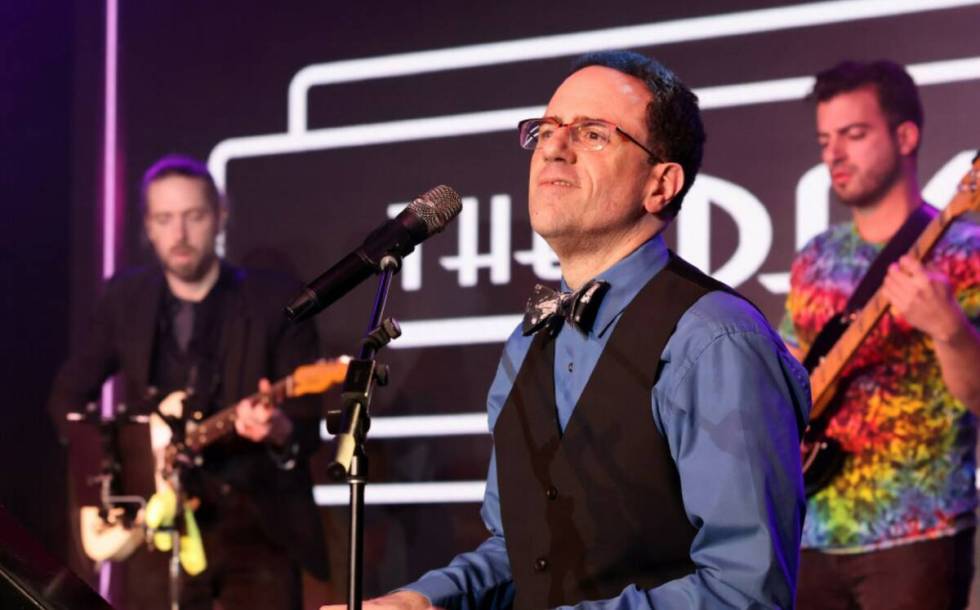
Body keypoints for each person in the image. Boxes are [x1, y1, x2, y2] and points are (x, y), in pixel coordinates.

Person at [323, 50, 810, 610]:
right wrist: (422, 601)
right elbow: (519, 550)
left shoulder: (715, 341)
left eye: (593, 133)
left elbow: (745, 590)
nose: (554, 146)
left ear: (661, 185)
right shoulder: (525, 344)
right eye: (547, 129)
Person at [49, 155, 329, 610]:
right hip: (156, 534)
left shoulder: (274, 300)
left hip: (257, 530)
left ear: (221, 215)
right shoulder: (125, 300)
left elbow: (304, 425)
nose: (179, 235)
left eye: (194, 216)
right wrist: (108, 479)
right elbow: (67, 399)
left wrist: (277, 431)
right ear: (148, 226)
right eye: (165, 219)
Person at [780, 60, 980, 610]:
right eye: (825, 140)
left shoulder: (967, 251)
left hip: (919, 534)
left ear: (906, 135)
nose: (834, 155)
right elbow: (789, 370)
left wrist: (950, 330)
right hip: (810, 534)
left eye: (854, 134)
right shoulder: (815, 257)